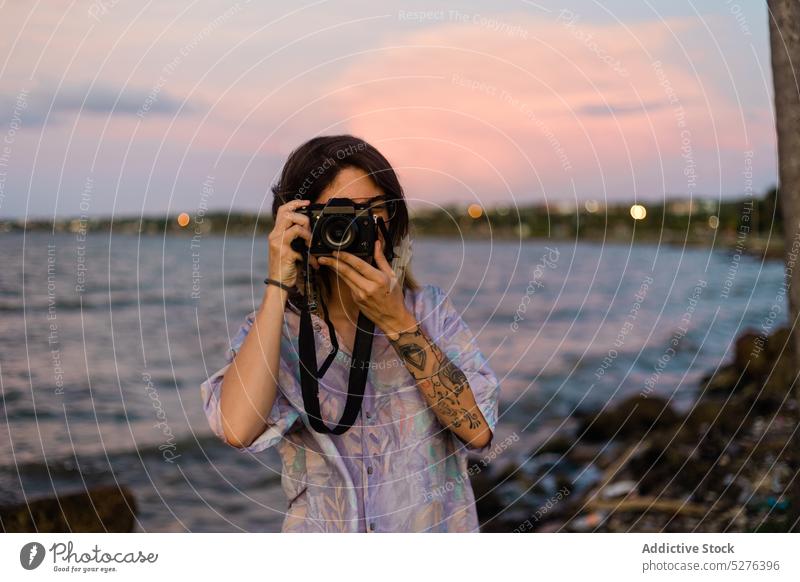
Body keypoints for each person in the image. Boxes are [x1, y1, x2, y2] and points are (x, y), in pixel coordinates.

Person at [200, 135, 500, 532]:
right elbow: (236, 428)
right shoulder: (279, 333)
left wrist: (395, 320)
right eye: (339, 212)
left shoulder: (428, 312)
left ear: (392, 220)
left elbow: (477, 431)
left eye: (373, 210)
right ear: (298, 222)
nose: (357, 226)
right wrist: (277, 283)